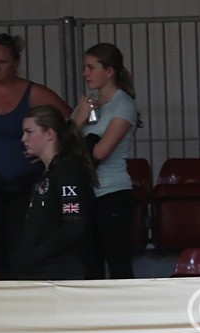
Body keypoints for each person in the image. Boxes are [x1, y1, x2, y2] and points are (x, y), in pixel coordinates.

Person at [0, 33, 72, 279]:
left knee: (24, 249)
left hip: (25, 185)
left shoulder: (33, 92)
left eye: (3, 61)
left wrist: (49, 152)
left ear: (16, 62)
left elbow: (70, 122)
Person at [72, 43, 139, 279]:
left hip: (112, 193)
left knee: (119, 265)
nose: (85, 73)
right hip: (86, 194)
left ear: (109, 71)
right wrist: (78, 120)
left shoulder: (124, 104)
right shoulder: (87, 106)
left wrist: (76, 143)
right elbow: (59, 147)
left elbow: (101, 152)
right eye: (84, 67)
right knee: (90, 266)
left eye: (91, 68)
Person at [12, 105, 96, 280]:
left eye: (29, 132)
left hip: (57, 274)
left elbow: (73, 225)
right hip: (38, 272)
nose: (23, 138)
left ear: (49, 134)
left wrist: (34, 256)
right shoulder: (46, 172)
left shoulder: (66, 171)